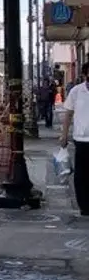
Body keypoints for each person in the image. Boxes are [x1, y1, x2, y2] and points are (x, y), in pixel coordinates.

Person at [60, 62, 89, 216]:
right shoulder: (77, 91)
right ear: (85, 75)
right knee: (81, 175)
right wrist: (64, 135)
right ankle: (84, 205)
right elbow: (68, 115)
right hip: (81, 139)